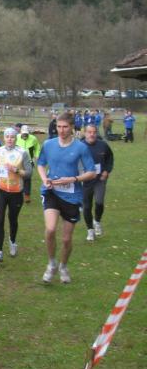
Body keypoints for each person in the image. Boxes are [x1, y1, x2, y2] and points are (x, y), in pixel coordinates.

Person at [36, 113, 96, 284]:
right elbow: (41, 164)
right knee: (50, 229)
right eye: (59, 126)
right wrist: (44, 179)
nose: (61, 130)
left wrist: (74, 179)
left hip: (72, 196)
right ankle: (51, 264)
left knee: (66, 239)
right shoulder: (48, 144)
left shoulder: (81, 147)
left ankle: (63, 266)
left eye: (65, 127)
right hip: (52, 192)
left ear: (72, 127)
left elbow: (92, 172)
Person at [0, 128, 32, 263]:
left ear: (16, 138)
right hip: (0, 190)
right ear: (4, 138)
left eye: (12, 137)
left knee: (12, 219)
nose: (9, 139)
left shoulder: (23, 153)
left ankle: (12, 241)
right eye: (7, 136)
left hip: (16, 192)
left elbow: (29, 173)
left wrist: (16, 170)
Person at [80, 125, 114, 241]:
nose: (92, 134)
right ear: (85, 133)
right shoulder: (79, 146)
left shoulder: (103, 145)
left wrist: (106, 171)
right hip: (85, 181)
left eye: (94, 132)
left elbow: (110, 158)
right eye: (89, 132)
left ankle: (97, 221)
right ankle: (90, 230)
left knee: (99, 202)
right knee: (87, 206)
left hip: (100, 179)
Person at [15, 125, 40, 204]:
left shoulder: (33, 138)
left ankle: (27, 195)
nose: (25, 135)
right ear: (21, 132)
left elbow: (37, 147)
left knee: (27, 177)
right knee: (18, 176)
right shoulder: (16, 137)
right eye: (23, 134)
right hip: (18, 160)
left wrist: (37, 155)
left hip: (30, 161)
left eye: (26, 134)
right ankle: (17, 192)